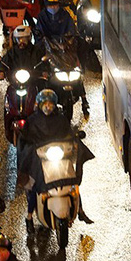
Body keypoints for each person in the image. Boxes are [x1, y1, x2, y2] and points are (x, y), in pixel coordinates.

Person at [18, 89, 94, 232]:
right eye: (45, 103)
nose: (48, 107)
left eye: (50, 104)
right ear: (39, 105)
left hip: (58, 157)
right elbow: (25, 138)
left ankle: (81, 210)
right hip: (40, 159)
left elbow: (68, 134)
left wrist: (74, 140)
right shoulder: (32, 121)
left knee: (71, 180)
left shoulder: (61, 120)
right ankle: (29, 216)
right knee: (34, 184)